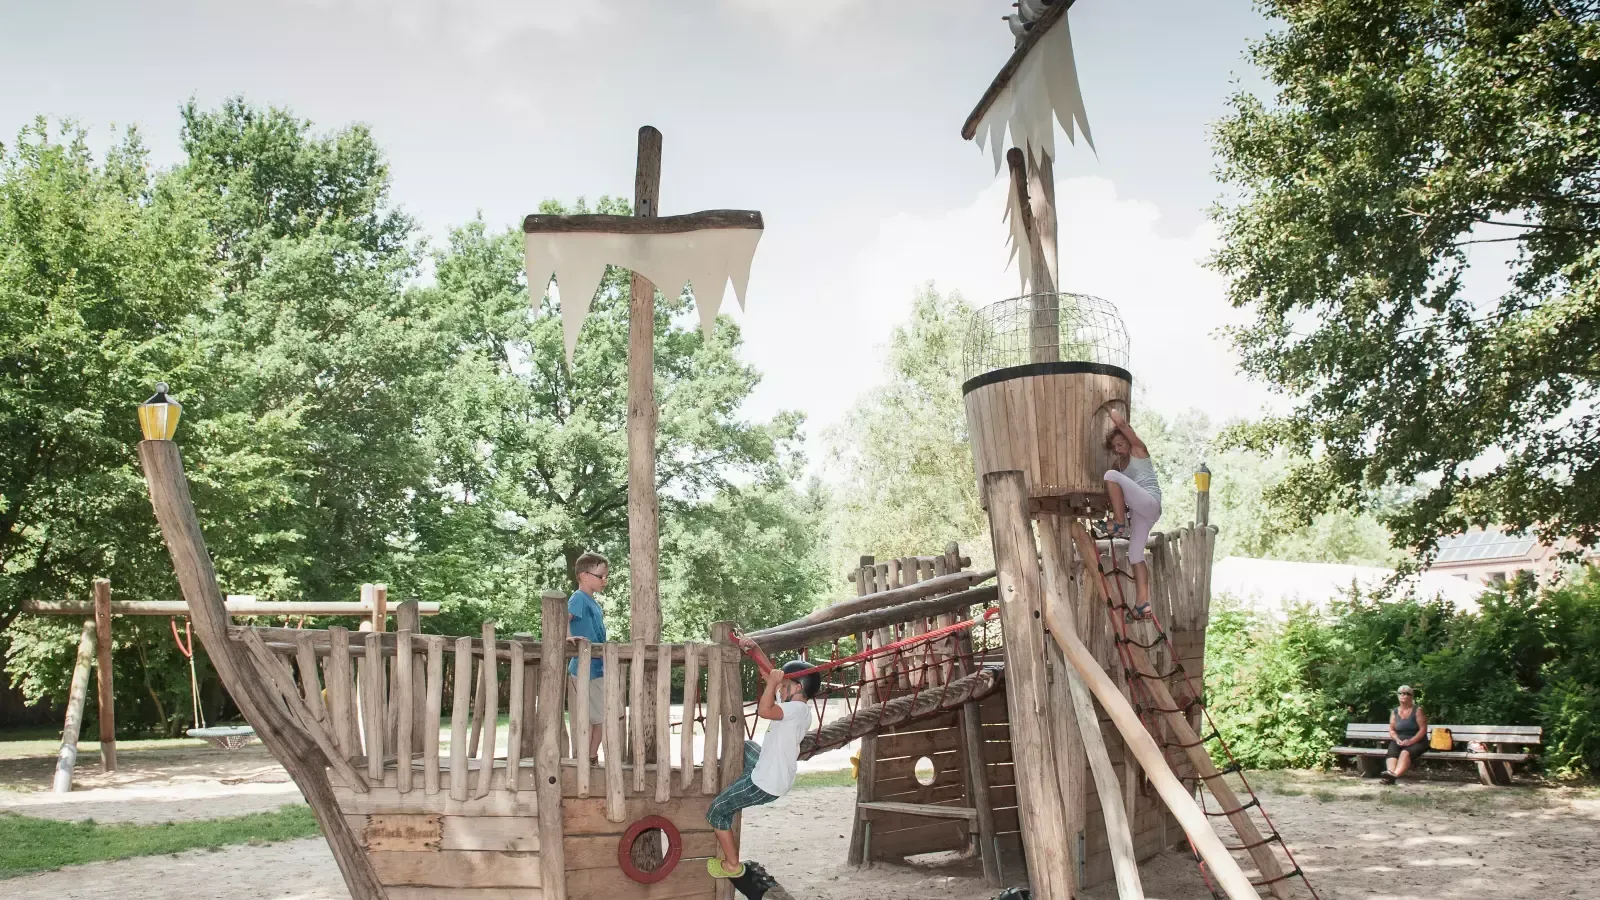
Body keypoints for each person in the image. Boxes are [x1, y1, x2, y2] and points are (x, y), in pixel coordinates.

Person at [707, 659, 822, 879]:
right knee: (747, 747)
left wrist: (771, 684)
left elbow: (764, 710)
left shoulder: (797, 709)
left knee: (717, 811)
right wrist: (751, 648)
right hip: (770, 770)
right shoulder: (792, 703)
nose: (780, 688)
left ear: (797, 687)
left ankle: (732, 865)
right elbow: (769, 673)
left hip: (764, 783)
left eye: (784, 685)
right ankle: (734, 777)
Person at [1103, 406, 1162, 618]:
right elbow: (1116, 491)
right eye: (1115, 446)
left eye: (1121, 444)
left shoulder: (1139, 449)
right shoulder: (1119, 464)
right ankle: (1142, 603)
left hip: (1150, 502)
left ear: (1128, 441)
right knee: (1135, 554)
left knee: (1110, 474)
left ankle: (1119, 524)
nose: (1118, 449)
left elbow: (1123, 425)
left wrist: (1109, 408)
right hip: (1140, 513)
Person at [566, 552, 611, 762]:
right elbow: (563, 618)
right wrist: (568, 636)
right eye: (600, 576)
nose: (605, 580)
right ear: (584, 576)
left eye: (605, 576)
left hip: (597, 666)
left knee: (600, 715)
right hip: (585, 668)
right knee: (596, 716)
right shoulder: (578, 598)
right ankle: (589, 756)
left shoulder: (592, 602)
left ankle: (591, 755)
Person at [1381, 685, 1429, 784]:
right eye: (1401, 693)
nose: (1403, 695)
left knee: (1405, 753)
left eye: (1407, 693)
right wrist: (1396, 739)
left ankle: (1394, 775)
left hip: (1418, 740)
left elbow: (1423, 729)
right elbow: (1392, 730)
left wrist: (1411, 741)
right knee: (1392, 751)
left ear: (1412, 697)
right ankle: (1390, 773)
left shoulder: (1418, 710)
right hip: (1400, 740)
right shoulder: (1394, 712)